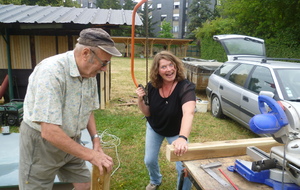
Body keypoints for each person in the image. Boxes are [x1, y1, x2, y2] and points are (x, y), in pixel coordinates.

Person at [19, 28, 122, 190]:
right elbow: (49, 131)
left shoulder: (88, 73)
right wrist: (91, 155)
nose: (104, 69)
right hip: (41, 143)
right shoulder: (51, 72)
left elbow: (88, 109)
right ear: (86, 53)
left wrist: (95, 139)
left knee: (86, 184)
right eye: (104, 63)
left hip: (72, 139)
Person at [135, 51, 196, 190]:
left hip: (176, 132)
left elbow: (189, 112)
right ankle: (155, 180)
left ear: (176, 66)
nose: (169, 69)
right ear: (157, 71)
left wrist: (182, 138)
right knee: (149, 160)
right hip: (155, 128)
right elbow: (147, 112)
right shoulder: (152, 86)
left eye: (171, 65)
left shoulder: (185, 87)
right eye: (163, 67)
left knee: (184, 166)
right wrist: (140, 99)